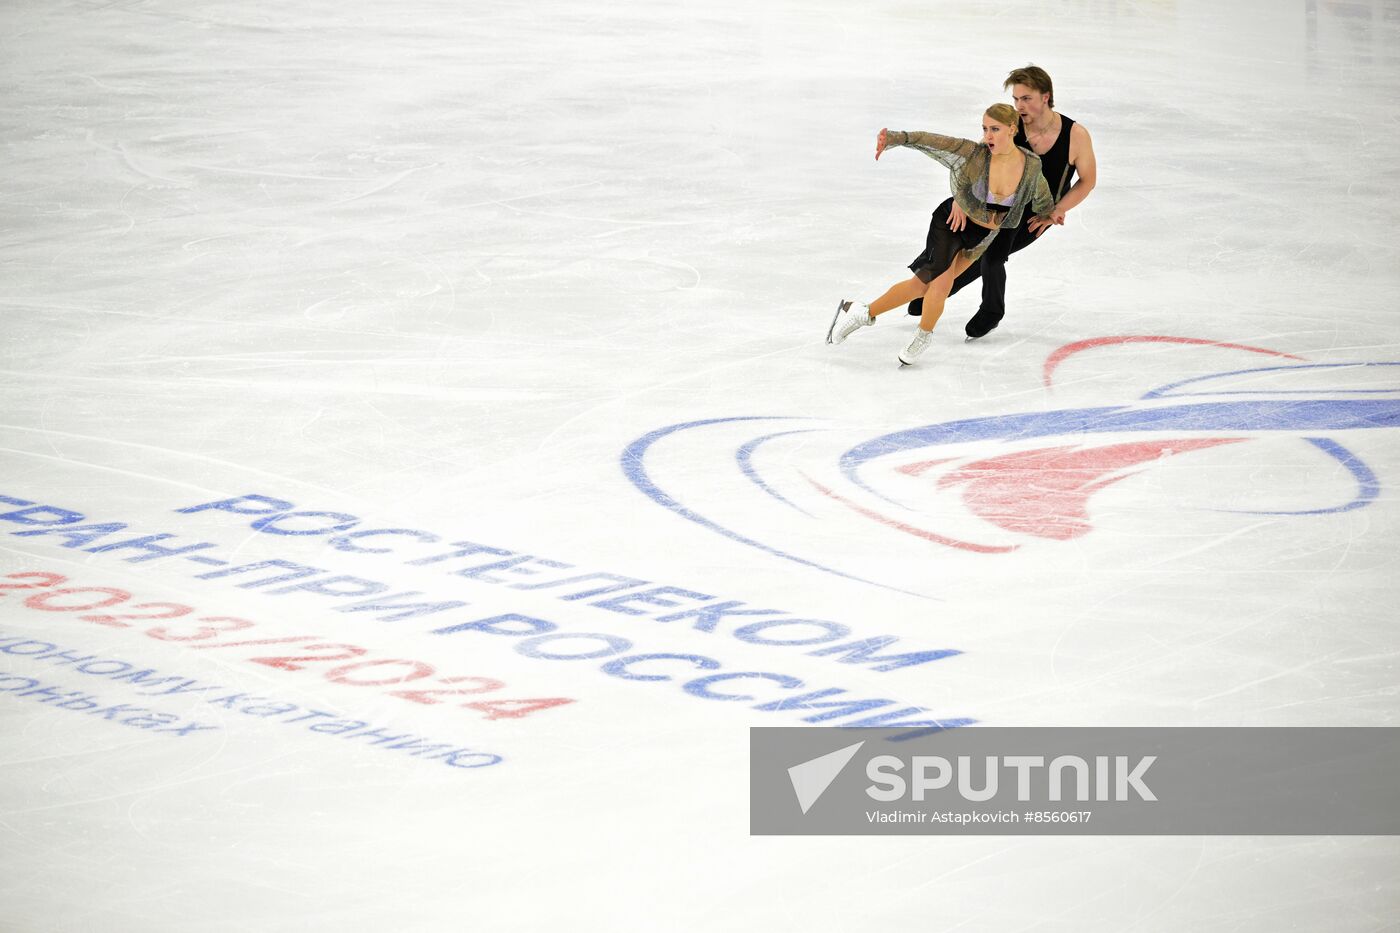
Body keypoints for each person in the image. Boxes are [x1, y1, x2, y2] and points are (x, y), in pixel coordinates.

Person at [827, 103, 1053, 366]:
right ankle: (923, 336)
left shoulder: (1030, 165)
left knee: (921, 286)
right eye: (984, 128)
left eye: (995, 129)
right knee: (942, 283)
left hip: (981, 238)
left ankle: (862, 313)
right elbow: (936, 142)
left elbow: (1041, 196)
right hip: (951, 223)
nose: (988, 135)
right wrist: (897, 138)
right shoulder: (975, 154)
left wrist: (1050, 213)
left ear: (1013, 129)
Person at [906, 64, 1098, 339]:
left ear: (1046, 96)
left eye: (1026, 98)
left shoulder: (1075, 135)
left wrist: (1057, 209)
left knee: (991, 256)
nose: (1019, 106)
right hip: (1000, 201)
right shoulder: (1012, 127)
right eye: (1016, 99)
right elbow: (975, 161)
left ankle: (991, 310)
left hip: (1036, 214)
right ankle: (929, 289)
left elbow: (1087, 180)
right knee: (962, 245)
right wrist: (961, 199)